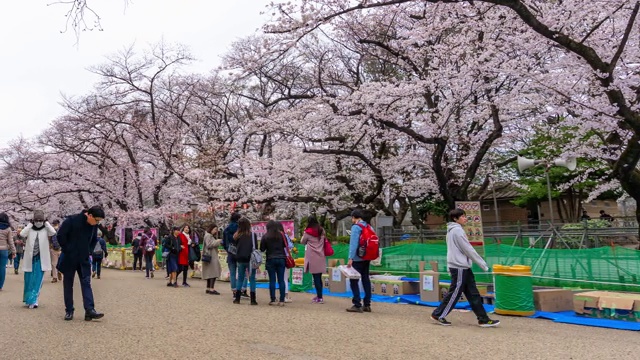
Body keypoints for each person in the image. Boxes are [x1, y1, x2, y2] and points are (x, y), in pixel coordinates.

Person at [431, 208, 500, 327]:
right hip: (459, 267)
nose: (465, 218)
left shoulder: (453, 231)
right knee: (455, 292)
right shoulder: (457, 231)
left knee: (473, 293)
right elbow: (468, 249)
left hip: (462, 266)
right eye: (462, 216)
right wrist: (482, 264)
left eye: (464, 216)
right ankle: (438, 314)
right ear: (455, 219)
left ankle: (483, 318)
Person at [56, 206, 106, 321]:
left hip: (84, 258)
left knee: (86, 283)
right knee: (68, 284)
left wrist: (89, 251)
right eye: (96, 220)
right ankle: (69, 310)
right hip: (69, 257)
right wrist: (68, 249)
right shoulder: (71, 221)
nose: (97, 223)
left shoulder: (94, 225)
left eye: (99, 221)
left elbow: (94, 240)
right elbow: (60, 236)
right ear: (89, 215)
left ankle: (90, 310)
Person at [20, 210, 56, 309]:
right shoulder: (30, 228)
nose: (39, 222)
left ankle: (34, 299)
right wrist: (30, 224)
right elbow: (22, 234)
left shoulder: (45, 229)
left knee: (38, 279)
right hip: (30, 258)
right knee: (28, 279)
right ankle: (28, 299)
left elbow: (53, 232)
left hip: (41, 257)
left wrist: (46, 223)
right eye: (37, 220)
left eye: (41, 220)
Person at [346, 210, 373, 313]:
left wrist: (350, 258)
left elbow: (353, 244)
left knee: (354, 280)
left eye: (352, 218)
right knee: (366, 279)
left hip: (357, 258)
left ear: (354, 217)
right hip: (367, 257)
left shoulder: (356, 227)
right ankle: (367, 304)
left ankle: (357, 304)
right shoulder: (369, 227)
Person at [301, 216, 327, 304]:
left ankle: (319, 297)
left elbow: (302, 242)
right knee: (319, 277)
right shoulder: (321, 230)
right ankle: (320, 296)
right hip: (321, 255)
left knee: (316, 278)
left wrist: (304, 233)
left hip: (312, 256)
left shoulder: (307, 232)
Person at [260, 220, 287, 306]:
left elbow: (262, 249)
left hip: (270, 259)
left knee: (272, 280)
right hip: (281, 258)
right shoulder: (281, 235)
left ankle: (273, 299)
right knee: (281, 280)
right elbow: (285, 245)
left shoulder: (265, 236)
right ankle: (282, 300)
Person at [232, 217, 258, 305]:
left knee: (240, 277)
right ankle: (253, 299)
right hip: (250, 259)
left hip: (239, 258)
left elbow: (234, 248)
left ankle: (237, 298)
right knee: (252, 278)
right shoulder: (252, 235)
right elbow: (256, 247)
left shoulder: (236, 235)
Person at [223, 212, 248, 299]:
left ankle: (234, 292)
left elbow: (224, 242)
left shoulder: (226, 229)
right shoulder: (241, 229)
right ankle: (242, 290)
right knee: (244, 273)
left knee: (232, 274)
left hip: (230, 253)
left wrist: (228, 249)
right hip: (240, 253)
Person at [202, 224, 223, 295]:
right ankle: (211, 288)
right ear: (211, 229)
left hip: (210, 256)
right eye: (215, 229)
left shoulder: (208, 235)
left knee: (209, 272)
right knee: (213, 272)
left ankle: (208, 288)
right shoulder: (208, 236)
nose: (216, 231)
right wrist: (218, 241)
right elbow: (209, 245)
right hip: (211, 256)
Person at [0, 212, 17, 291]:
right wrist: (14, 251)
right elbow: (11, 241)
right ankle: (0, 286)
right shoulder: (8, 228)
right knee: (2, 268)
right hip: (4, 250)